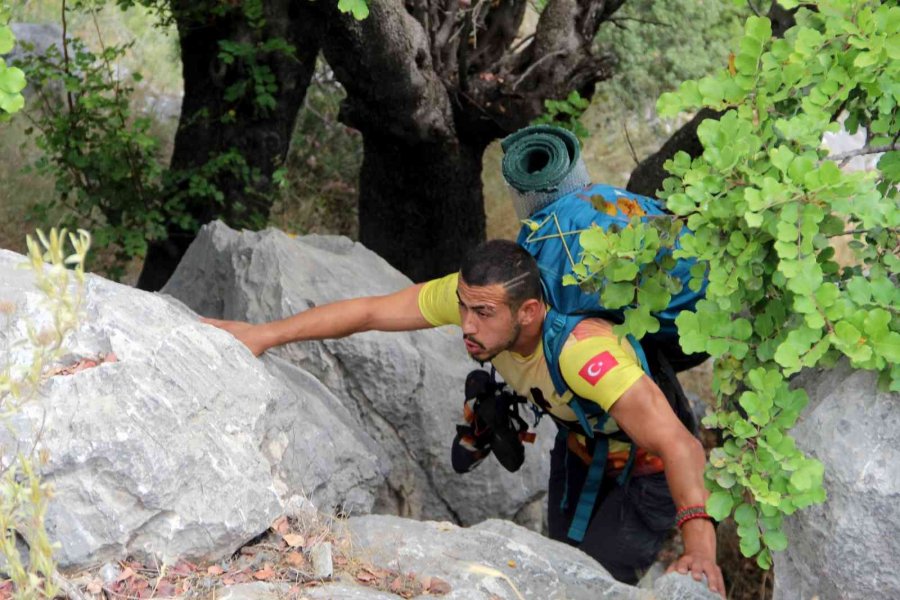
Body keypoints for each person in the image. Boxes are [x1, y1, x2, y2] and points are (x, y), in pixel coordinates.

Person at [202, 239, 724, 596]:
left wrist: (701, 549)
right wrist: (265, 334)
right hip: (581, 448)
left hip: (650, 471)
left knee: (599, 578)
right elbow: (367, 312)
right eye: (463, 308)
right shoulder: (479, 299)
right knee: (560, 566)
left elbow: (682, 447)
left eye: (483, 315)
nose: (466, 326)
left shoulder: (585, 355)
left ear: (529, 313)